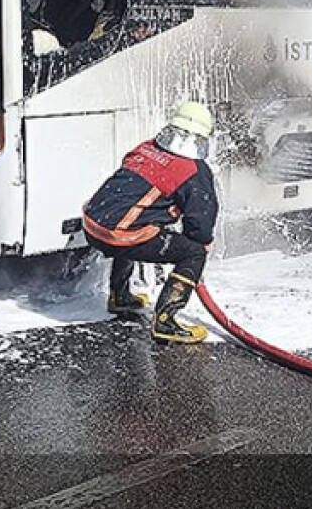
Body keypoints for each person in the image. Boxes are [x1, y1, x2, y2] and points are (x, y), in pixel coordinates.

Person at [82, 102, 219, 344]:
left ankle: (120, 296)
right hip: (118, 234)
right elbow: (201, 222)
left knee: (139, 225)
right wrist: (201, 243)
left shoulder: (146, 148)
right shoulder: (193, 170)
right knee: (193, 253)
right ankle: (166, 321)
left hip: (92, 223)